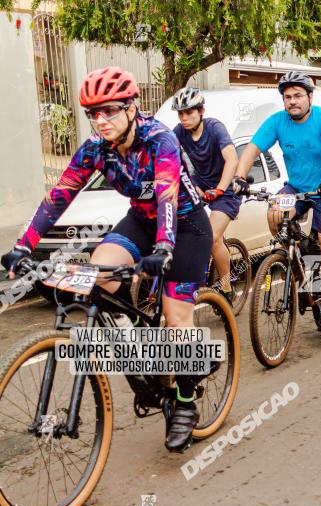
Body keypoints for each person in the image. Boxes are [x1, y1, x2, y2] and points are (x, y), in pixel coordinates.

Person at [1, 67, 213, 451]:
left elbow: (167, 195)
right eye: (93, 113)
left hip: (185, 225)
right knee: (100, 272)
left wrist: (164, 247)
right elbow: (58, 197)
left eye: (110, 110)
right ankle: (138, 333)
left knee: (176, 313)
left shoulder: (159, 139)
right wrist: (24, 244)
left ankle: (184, 402)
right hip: (141, 221)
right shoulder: (95, 150)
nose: (101, 120)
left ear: (132, 107)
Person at [232, 71, 321, 334]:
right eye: (287, 97)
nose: (292, 101)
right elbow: (252, 149)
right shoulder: (277, 121)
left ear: (309, 96)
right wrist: (239, 177)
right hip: (296, 187)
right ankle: (296, 259)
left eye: (297, 95)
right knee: (274, 215)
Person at [170, 87, 239, 306]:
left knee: (212, 238)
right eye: (180, 113)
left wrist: (219, 188)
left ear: (201, 111)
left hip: (225, 191)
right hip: (200, 187)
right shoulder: (179, 132)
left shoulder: (215, 128)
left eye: (189, 112)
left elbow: (232, 160)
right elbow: (167, 157)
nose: (184, 118)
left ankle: (227, 289)